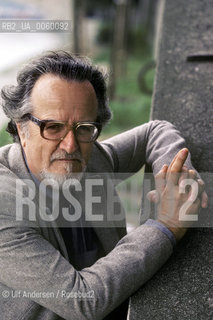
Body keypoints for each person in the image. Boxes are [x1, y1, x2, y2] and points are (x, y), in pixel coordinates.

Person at [0, 51, 207, 320]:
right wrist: (165, 225)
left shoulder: (91, 155)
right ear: (21, 130)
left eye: (84, 127)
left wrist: (178, 181)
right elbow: (83, 301)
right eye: (53, 127)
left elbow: (156, 131)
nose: (70, 145)